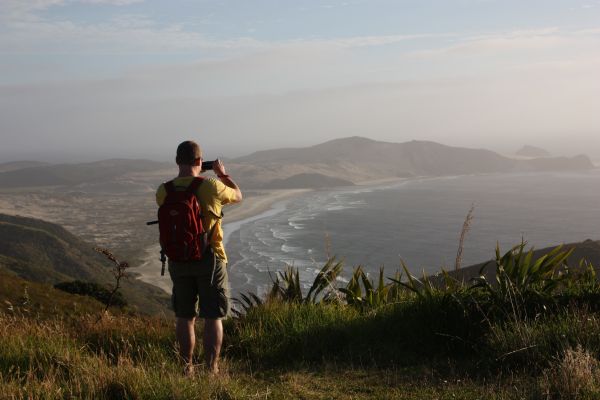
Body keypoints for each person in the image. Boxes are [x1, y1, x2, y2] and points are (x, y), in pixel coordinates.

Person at [155, 140, 242, 375]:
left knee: (185, 316)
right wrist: (223, 174)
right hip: (210, 258)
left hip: (178, 259)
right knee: (213, 316)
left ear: (176, 161)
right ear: (199, 162)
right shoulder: (211, 186)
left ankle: (186, 369)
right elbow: (238, 195)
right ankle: (211, 370)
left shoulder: (163, 191)